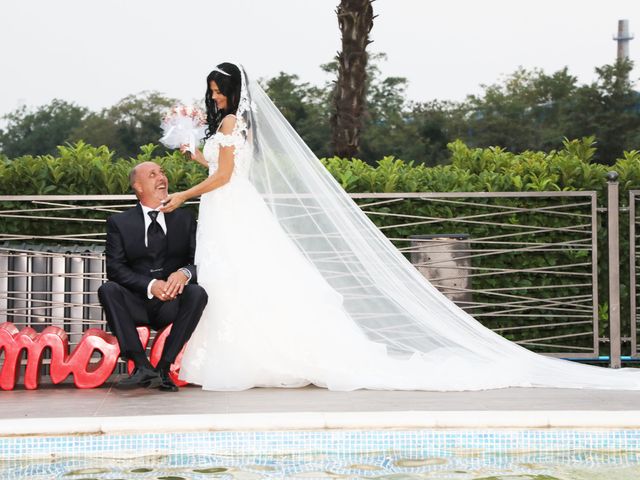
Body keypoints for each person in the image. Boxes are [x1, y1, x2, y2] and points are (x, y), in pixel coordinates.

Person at [160, 62, 640, 391]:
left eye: (220, 90)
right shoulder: (230, 128)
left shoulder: (230, 127)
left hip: (230, 205)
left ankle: (252, 355)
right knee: (232, 278)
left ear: (234, 92)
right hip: (229, 209)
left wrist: (181, 194)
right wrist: (190, 149)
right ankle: (234, 351)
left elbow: (223, 177)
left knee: (241, 276)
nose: (215, 96)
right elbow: (217, 166)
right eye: (212, 91)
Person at [98, 161, 208, 392]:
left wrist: (185, 273)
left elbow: (203, 262)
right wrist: (150, 285)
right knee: (108, 289)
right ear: (138, 186)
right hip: (137, 301)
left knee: (197, 293)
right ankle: (141, 365)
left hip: (172, 302)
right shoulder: (119, 223)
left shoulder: (185, 219)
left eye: (162, 173)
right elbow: (115, 269)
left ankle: (164, 367)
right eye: (152, 174)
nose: (161, 178)